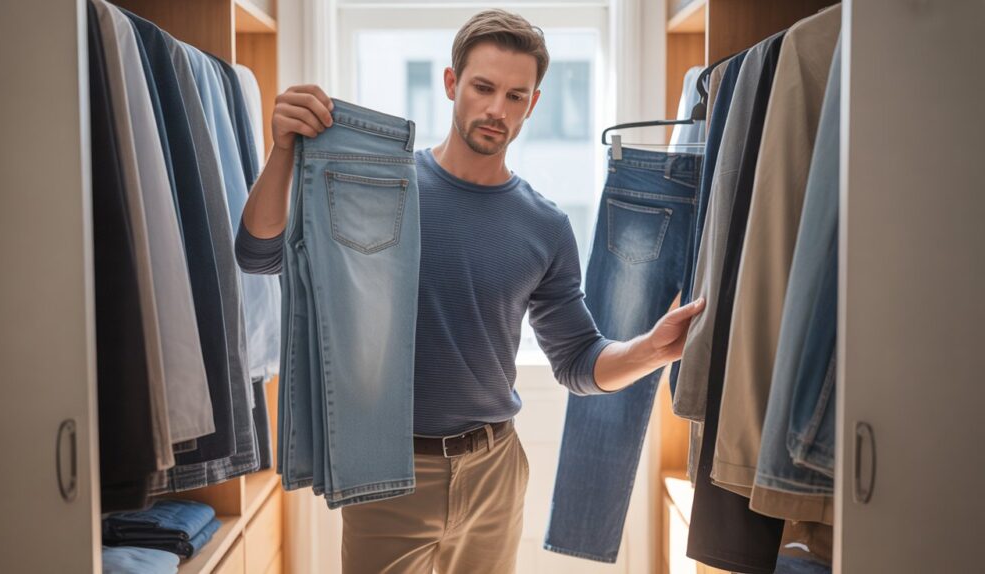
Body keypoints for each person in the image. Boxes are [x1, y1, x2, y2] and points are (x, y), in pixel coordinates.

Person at [235, 9, 705, 573]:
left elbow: (578, 362)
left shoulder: (545, 226)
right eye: (483, 87)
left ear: (533, 104)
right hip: (388, 470)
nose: (496, 109)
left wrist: (653, 349)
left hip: (494, 471)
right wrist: (283, 150)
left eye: (515, 96)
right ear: (452, 84)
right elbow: (258, 255)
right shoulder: (381, 190)